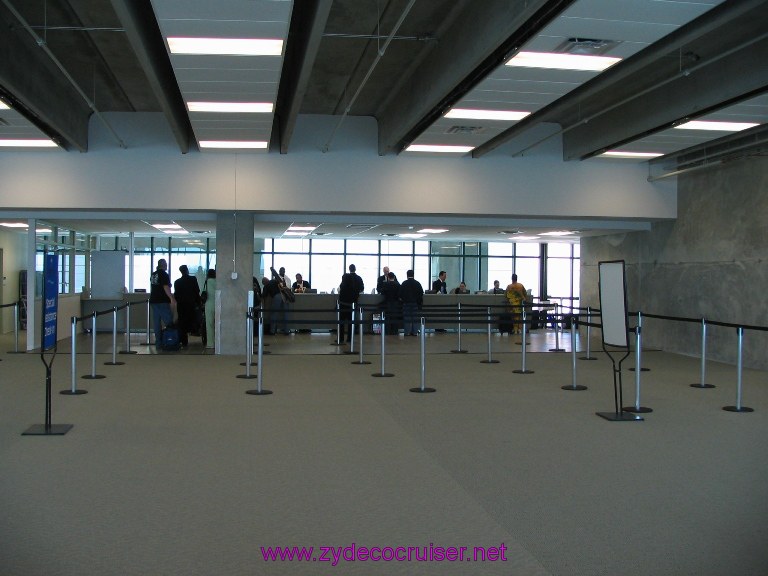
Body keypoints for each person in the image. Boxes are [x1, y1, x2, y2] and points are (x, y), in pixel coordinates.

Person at [149, 258, 176, 347]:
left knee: (157, 323)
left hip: (153, 300)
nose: (166, 265)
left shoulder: (153, 274)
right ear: (163, 265)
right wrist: (171, 298)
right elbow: (165, 287)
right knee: (168, 322)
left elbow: (157, 286)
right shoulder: (164, 274)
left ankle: (158, 343)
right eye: (166, 264)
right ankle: (170, 341)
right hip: (162, 301)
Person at [173, 264, 201, 348]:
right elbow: (197, 291)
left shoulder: (177, 282)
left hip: (182, 305)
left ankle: (184, 341)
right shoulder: (193, 279)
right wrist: (198, 302)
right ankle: (195, 332)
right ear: (187, 270)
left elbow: (176, 295)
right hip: (191, 304)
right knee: (193, 320)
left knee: (182, 323)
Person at [338, 263, 364, 342]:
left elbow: (340, 290)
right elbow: (362, 288)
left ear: (349, 269)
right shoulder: (358, 278)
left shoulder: (345, 279)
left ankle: (341, 338)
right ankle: (349, 338)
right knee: (351, 322)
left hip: (343, 304)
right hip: (353, 303)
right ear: (355, 269)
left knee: (341, 322)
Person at [398, 269, 423, 336]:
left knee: (407, 318)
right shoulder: (417, 283)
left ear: (407, 275)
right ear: (413, 275)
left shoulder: (404, 283)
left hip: (406, 303)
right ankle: (415, 332)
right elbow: (421, 294)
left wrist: (403, 300)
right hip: (415, 303)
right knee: (415, 318)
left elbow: (400, 294)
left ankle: (407, 332)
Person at [203, 269, 216, 349]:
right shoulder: (218, 281)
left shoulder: (207, 282)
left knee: (209, 324)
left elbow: (203, 292)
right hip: (218, 304)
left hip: (209, 304)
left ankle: (210, 343)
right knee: (218, 324)